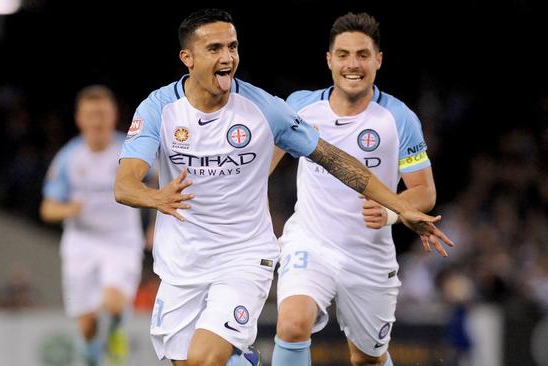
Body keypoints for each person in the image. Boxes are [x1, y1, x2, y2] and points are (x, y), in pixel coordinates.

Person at [114, 8, 452, 366]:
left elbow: (334, 159)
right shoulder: (159, 108)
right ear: (187, 57)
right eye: (214, 49)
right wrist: (156, 198)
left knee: (210, 359)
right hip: (181, 263)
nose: (227, 57)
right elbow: (124, 185)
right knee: (194, 361)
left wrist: (398, 209)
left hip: (244, 258)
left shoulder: (265, 109)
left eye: (233, 47)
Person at [268, 12, 449, 366]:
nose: (353, 64)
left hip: (368, 256)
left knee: (367, 359)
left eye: (363, 55)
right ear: (329, 60)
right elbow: (260, 168)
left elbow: (424, 192)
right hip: (310, 241)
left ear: (378, 60)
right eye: (344, 54)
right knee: (291, 325)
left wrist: (391, 212)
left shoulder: (399, 118)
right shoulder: (301, 107)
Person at [40, 85, 145, 366]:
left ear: (113, 116)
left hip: (121, 240)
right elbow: (47, 208)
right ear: (79, 119)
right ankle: (92, 358)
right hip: (81, 243)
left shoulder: (131, 151)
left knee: (112, 303)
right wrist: (67, 209)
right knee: (86, 325)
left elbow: (162, 183)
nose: (97, 121)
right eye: (91, 115)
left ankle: (115, 332)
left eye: (102, 114)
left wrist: (157, 225)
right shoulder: (68, 158)